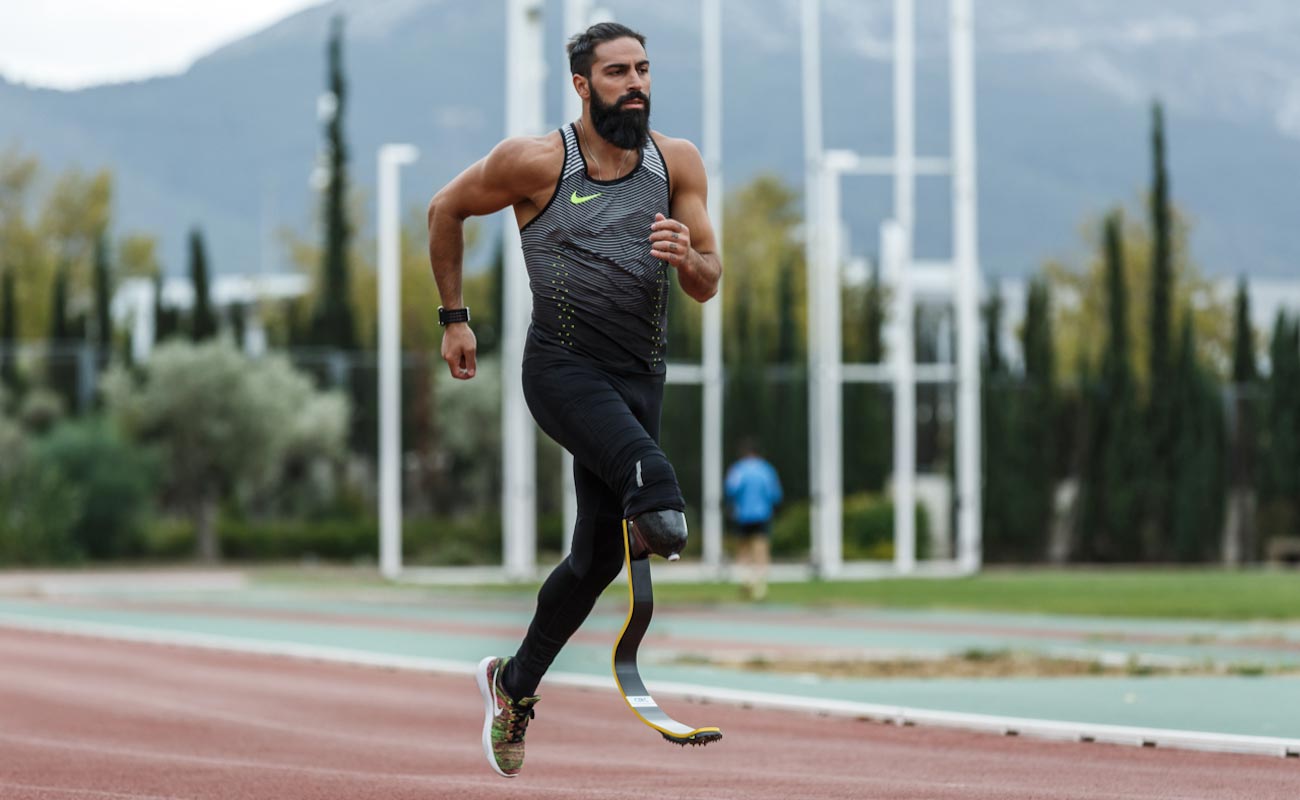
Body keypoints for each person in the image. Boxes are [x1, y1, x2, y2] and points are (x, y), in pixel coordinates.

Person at [426, 22, 721, 779]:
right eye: (618, 72)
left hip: (639, 376)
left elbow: (708, 279)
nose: (637, 83)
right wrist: (454, 319)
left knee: (595, 559)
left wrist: (689, 258)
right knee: (658, 500)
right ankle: (651, 514)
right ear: (584, 86)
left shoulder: (677, 162)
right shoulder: (536, 163)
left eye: (644, 69)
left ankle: (513, 684)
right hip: (561, 369)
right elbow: (445, 209)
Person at [725, 438, 783, 601]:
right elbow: (774, 493)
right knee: (761, 550)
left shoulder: (738, 469)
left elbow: (731, 490)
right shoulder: (766, 469)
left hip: (743, 514)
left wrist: (731, 506)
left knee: (743, 549)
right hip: (762, 514)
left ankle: (746, 580)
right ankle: (760, 586)